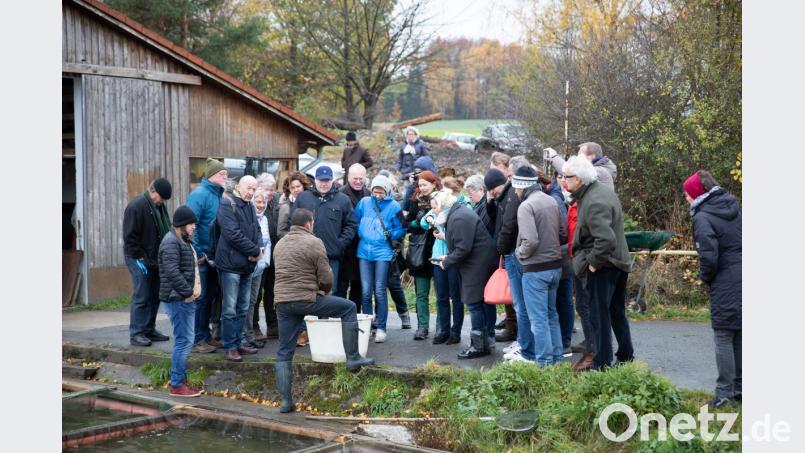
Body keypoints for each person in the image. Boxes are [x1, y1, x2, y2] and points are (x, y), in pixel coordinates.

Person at [273, 208, 375, 413]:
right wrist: (324, 291)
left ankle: (285, 402)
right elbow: (327, 277)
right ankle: (353, 358)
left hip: (283, 302)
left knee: (284, 352)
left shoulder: (280, 244)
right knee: (349, 308)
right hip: (307, 298)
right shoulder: (314, 242)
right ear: (309, 224)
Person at [563, 156, 634, 371]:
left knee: (599, 315)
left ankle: (602, 363)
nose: (564, 182)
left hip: (605, 266)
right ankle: (625, 355)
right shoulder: (599, 192)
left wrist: (592, 264)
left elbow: (605, 239)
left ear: (580, 178)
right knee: (615, 312)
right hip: (616, 263)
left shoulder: (594, 200)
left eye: (567, 177)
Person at [683, 170, 742, 408]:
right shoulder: (734, 207)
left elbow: (709, 256)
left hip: (726, 278)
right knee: (738, 331)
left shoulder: (703, 217)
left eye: (687, 194)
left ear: (697, 194)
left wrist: (706, 278)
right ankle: (739, 388)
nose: (686, 199)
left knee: (723, 334)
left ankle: (724, 393)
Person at [515, 168, 568, 366]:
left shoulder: (526, 206)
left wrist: (519, 254)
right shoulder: (551, 200)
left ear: (521, 186)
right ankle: (557, 359)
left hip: (535, 270)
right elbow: (563, 233)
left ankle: (545, 363)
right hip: (555, 266)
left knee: (538, 319)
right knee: (551, 315)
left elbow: (530, 240)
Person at [436, 200, 498, 359]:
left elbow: (463, 248)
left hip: (477, 265)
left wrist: (447, 261)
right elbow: (463, 245)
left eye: (435, 206)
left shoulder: (458, 217)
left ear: (443, 207)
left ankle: (478, 347)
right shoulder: (459, 213)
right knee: (479, 304)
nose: (433, 211)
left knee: (474, 304)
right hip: (478, 262)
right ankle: (483, 343)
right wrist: (449, 256)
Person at [215, 175, 263, 362]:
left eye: (254, 189)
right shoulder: (227, 204)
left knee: (243, 307)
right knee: (230, 308)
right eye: (248, 188)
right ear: (239, 187)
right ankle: (230, 346)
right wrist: (253, 251)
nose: (251, 193)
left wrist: (258, 249)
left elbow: (256, 230)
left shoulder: (250, 206)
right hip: (230, 266)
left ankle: (239, 341)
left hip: (247, 265)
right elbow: (232, 234)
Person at [354, 174, 406, 343]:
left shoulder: (394, 206)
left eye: (381, 192)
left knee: (380, 290)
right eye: (375, 192)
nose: (377, 195)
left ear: (387, 191)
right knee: (366, 291)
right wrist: (362, 232)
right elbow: (355, 221)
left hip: (383, 252)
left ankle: (381, 327)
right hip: (364, 251)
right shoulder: (364, 203)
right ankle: (369, 325)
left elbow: (402, 228)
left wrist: (389, 234)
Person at [158, 206, 203, 397]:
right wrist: (187, 292)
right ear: (180, 226)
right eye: (191, 224)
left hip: (183, 298)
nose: (194, 227)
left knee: (185, 340)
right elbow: (171, 271)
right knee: (184, 341)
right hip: (178, 300)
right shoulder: (170, 242)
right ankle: (177, 384)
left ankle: (181, 380)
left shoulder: (181, 240)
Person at [123, 177, 173, 347]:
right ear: (153, 191)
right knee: (142, 295)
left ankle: (149, 329)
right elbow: (129, 237)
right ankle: (136, 333)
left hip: (155, 259)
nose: (162, 202)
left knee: (154, 295)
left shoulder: (158, 207)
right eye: (161, 198)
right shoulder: (136, 206)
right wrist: (140, 256)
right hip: (138, 259)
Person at [293, 166, 357, 296]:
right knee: (306, 291)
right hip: (306, 255)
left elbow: (351, 225)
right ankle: (308, 317)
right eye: (321, 180)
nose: (323, 183)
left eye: (327, 180)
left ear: (332, 180)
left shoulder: (343, 200)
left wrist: (339, 244)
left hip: (331, 256)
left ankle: (326, 317)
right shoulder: (303, 198)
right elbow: (293, 222)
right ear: (315, 180)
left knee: (329, 291)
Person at [186, 158, 227, 354]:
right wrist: (198, 252)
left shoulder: (219, 195)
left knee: (210, 297)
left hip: (215, 256)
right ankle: (197, 338)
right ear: (210, 175)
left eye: (226, 173)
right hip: (202, 256)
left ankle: (206, 335)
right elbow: (190, 225)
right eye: (221, 174)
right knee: (200, 298)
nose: (225, 176)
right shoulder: (199, 195)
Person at [421, 189, 464, 345]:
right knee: (441, 297)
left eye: (435, 206)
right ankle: (444, 330)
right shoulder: (436, 212)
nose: (433, 209)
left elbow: (459, 239)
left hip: (453, 260)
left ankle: (456, 331)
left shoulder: (456, 212)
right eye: (431, 206)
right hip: (437, 260)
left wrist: (444, 236)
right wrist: (431, 217)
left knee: (456, 297)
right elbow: (423, 222)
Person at [404, 170, 442, 340]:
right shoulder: (414, 202)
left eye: (425, 184)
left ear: (434, 184)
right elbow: (408, 224)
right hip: (419, 251)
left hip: (439, 249)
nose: (422, 188)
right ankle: (423, 327)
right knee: (421, 293)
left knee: (441, 292)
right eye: (420, 185)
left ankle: (442, 326)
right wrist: (417, 221)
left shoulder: (443, 200)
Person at [242, 189, 272, 349]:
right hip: (249, 266)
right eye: (257, 202)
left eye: (263, 202)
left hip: (260, 267)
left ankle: (249, 333)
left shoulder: (265, 219)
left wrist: (266, 262)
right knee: (244, 302)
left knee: (253, 301)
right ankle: (244, 335)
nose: (260, 205)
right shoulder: (247, 218)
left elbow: (267, 243)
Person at [252, 173, 281, 340]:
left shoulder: (276, 203)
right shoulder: (255, 205)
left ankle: (272, 325)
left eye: (272, 189)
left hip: (274, 255)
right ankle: (254, 326)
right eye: (266, 189)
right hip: (259, 256)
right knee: (257, 293)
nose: (270, 193)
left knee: (272, 292)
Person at [545, 142, 617, 189]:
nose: (577, 158)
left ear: (592, 156)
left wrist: (553, 157)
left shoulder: (599, 172)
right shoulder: (602, 169)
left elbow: (570, 171)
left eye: (580, 155)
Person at [277, 171, 311, 239]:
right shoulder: (285, 207)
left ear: (303, 186)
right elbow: (280, 232)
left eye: (298, 186)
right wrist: (297, 238)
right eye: (292, 187)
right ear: (289, 189)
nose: (296, 190)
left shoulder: (311, 202)